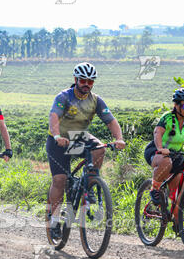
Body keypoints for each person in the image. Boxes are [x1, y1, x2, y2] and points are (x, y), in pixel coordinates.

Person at [47, 62, 126, 239]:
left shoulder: (96, 100)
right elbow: (53, 117)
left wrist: (119, 138)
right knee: (59, 180)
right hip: (58, 141)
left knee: (99, 148)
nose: (87, 84)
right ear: (76, 79)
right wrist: (57, 136)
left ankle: (90, 182)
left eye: (90, 82)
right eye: (83, 80)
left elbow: (111, 121)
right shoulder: (64, 97)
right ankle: (54, 221)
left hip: (78, 137)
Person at [144, 88, 184, 219]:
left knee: (181, 183)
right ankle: (154, 189)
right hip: (156, 151)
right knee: (166, 161)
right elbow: (157, 132)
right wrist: (160, 148)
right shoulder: (168, 117)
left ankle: (176, 215)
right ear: (176, 105)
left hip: (175, 155)